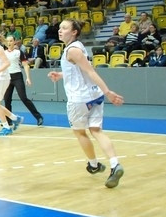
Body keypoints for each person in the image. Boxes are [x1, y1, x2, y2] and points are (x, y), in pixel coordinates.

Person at [47, 18, 125, 188]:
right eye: (60, 28)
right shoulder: (78, 47)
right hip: (94, 97)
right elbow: (79, 70)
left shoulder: (72, 50)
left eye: (65, 28)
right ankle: (114, 164)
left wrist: (108, 91)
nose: (60, 30)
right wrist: (61, 75)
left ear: (74, 32)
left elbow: (90, 71)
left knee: (80, 133)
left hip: (80, 99)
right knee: (96, 130)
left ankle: (94, 164)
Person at [3, 36, 44, 126]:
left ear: (14, 42)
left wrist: (28, 77)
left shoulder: (18, 52)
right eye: (7, 41)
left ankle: (39, 117)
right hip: (7, 78)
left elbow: (25, 65)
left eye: (11, 41)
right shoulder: (3, 53)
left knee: (23, 98)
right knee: (7, 100)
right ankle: (8, 121)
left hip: (17, 77)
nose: (9, 43)